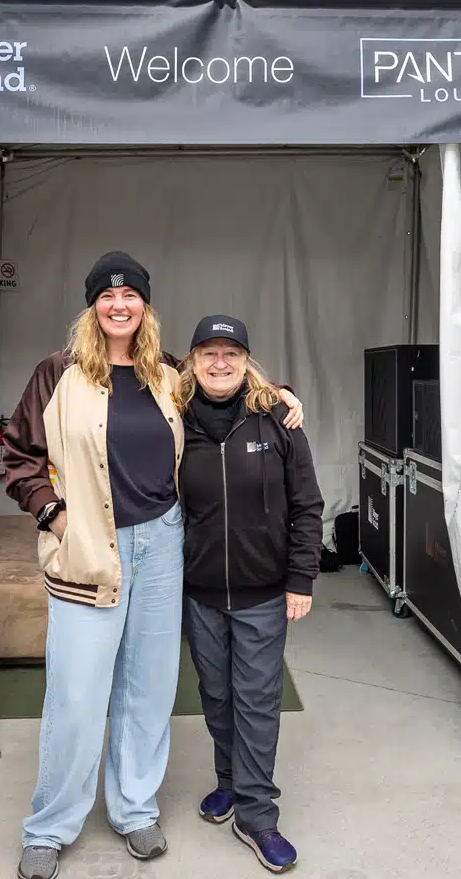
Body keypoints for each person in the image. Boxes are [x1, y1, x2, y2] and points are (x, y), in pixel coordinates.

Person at [2, 254, 304, 879]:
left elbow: (232, 389)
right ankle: (51, 825)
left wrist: (281, 396)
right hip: (88, 551)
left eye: (131, 295)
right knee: (78, 694)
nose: (120, 304)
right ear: (92, 307)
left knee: (149, 690)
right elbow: (19, 457)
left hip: (164, 547)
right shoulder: (55, 374)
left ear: (145, 306)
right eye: (107, 295)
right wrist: (55, 517)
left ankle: (134, 808)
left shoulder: (167, 375)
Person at [175, 315, 324, 874]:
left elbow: (308, 505)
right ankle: (229, 783)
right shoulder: (175, 421)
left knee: (258, 700)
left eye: (230, 354)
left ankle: (257, 814)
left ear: (246, 361)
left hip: (264, 592)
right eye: (208, 353)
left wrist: (300, 578)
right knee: (216, 695)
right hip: (200, 590)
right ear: (191, 360)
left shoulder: (279, 419)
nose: (219, 363)